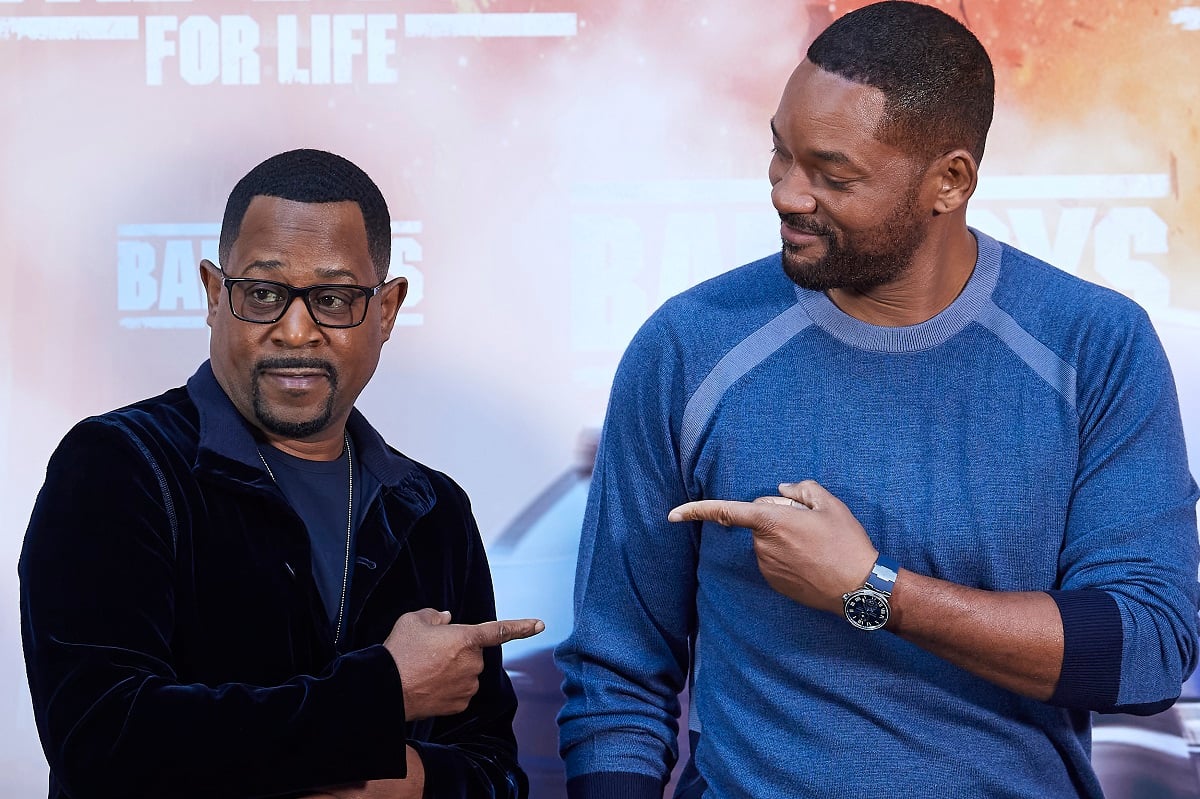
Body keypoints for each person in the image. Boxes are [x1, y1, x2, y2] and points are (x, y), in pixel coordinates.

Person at [554, 3, 1200, 797]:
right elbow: (616, 668)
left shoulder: (1095, 344)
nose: (789, 195)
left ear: (950, 180)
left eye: (833, 174)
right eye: (779, 155)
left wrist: (872, 590)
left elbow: (1148, 648)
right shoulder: (690, 345)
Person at [20, 148, 543, 799]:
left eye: (332, 298)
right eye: (264, 294)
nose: (296, 331)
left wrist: (410, 783)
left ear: (385, 310)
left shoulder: (433, 510)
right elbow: (102, 741)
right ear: (216, 294)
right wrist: (383, 693)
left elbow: (496, 771)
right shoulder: (118, 466)